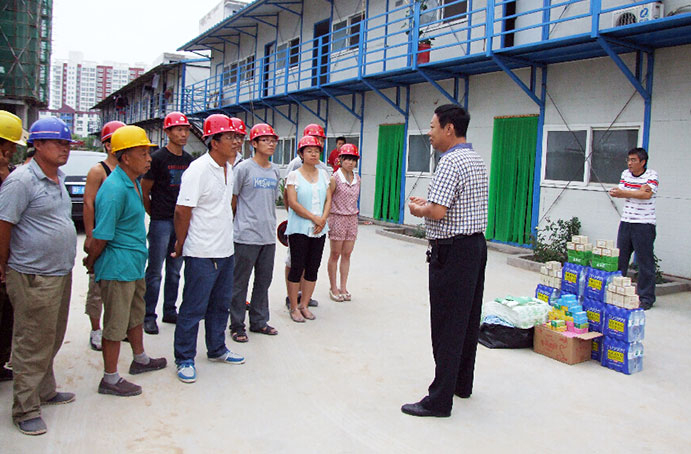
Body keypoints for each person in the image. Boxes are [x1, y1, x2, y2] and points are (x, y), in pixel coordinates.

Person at [403, 104, 488, 418]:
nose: (429, 133)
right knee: (466, 319)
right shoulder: (475, 158)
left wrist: (419, 209)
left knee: (446, 324)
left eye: (432, 126)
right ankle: (461, 383)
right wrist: (431, 203)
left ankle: (439, 400)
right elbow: (455, 204)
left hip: (452, 251)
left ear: (449, 128)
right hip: (474, 247)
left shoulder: (449, 161)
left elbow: (438, 211)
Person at [0, 117, 78, 435]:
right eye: (59, 143)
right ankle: (25, 408)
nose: (65, 149)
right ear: (39, 145)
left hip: (58, 273)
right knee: (31, 342)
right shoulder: (21, 181)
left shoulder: (57, 178)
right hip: (34, 276)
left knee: (51, 337)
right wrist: (3, 265)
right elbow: (4, 224)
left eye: (67, 144)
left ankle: (45, 391)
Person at [84, 125, 167, 398]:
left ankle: (140, 358)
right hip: (117, 267)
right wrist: (91, 261)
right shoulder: (114, 189)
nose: (149, 159)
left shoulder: (132, 182)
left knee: (135, 314)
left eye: (148, 153)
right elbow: (101, 236)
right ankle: (110, 378)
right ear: (125, 157)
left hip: (133, 264)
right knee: (115, 323)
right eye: (143, 154)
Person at [172, 114, 245, 384]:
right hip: (202, 252)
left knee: (220, 305)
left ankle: (217, 348)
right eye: (230, 137)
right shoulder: (198, 170)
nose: (236, 142)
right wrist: (181, 243)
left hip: (225, 249)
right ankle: (184, 358)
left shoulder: (230, 167)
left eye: (237, 137)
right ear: (213, 142)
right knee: (193, 308)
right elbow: (182, 211)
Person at [140, 112, 194, 335]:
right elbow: (144, 191)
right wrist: (154, 213)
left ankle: (170, 310)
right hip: (161, 221)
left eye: (186, 130)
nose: (183, 134)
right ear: (168, 132)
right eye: (179, 129)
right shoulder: (157, 159)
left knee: (175, 270)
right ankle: (148, 315)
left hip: (180, 222)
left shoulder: (188, 161)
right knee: (155, 271)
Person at [229, 123, 280, 342]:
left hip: (267, 236)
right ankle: (237, 325)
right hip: (246, 235)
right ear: (254, 144)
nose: (271, 144)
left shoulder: (275, 170)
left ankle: (259, 321)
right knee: (240, 282)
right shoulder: (243, 169)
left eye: (273, 140)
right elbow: (233, 199)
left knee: (263, 281)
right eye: (265, 140)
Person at [83, 120, 125, 351]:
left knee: (119, 288)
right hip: (102, 237)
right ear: (108, 145)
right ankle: (96, 329)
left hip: (121, 239)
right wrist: (90, 236)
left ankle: (116, 328)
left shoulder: (128, 171)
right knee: (96, 286)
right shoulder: (98, 171)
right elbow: (88, 204)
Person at [285, 135, 332, 323]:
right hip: (299, 228)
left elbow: (328, 199)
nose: (313, 154)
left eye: (317, 151)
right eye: (309, 151)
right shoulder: (294, 175)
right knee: (297, 267)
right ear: (301, 154)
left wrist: (323, 219)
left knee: (313, 267)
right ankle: (294, 306)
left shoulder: (324, 175)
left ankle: (304, 304)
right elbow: (293, 203)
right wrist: (314, 218)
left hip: (319, 229)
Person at [608, 147, 658, 310]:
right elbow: (618, 192)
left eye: (633, 160)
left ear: (642, 162)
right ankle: (617, 293)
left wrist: (626, 192)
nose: (630, 163)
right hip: (626, 222)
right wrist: (637, 191)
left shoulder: (651, 175)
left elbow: (646, 195)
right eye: (628, 160)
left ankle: (646, 298)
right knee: (620, 260)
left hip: (644, 224)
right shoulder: (625, 174)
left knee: (645, 263)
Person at [0, 110, 24, 382]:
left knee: (7, 315)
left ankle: (1, 362)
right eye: (9, 146)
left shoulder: (11, 174)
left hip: (7, 254)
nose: (12, 152)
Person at [327, 144, 361, 302]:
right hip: (337, 217)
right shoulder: (334, 178)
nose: (350, 162)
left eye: (353, 159)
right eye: (347, 159)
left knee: (347, 253)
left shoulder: (357, 179)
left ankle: (343, 286)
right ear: (340, 159)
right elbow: (328, 199)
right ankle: (333, 287)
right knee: (335, 254)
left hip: (352, 218)